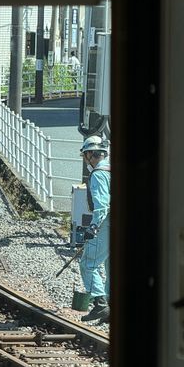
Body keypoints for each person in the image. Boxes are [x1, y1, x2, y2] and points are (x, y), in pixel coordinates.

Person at [78, 136, 111, 323]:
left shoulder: (99, 173)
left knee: (88, 263)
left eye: (85, 155)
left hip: (107, 222)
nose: (85, 159)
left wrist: (93, 227)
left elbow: (102, 206)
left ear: (91, 154)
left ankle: (100, 304)